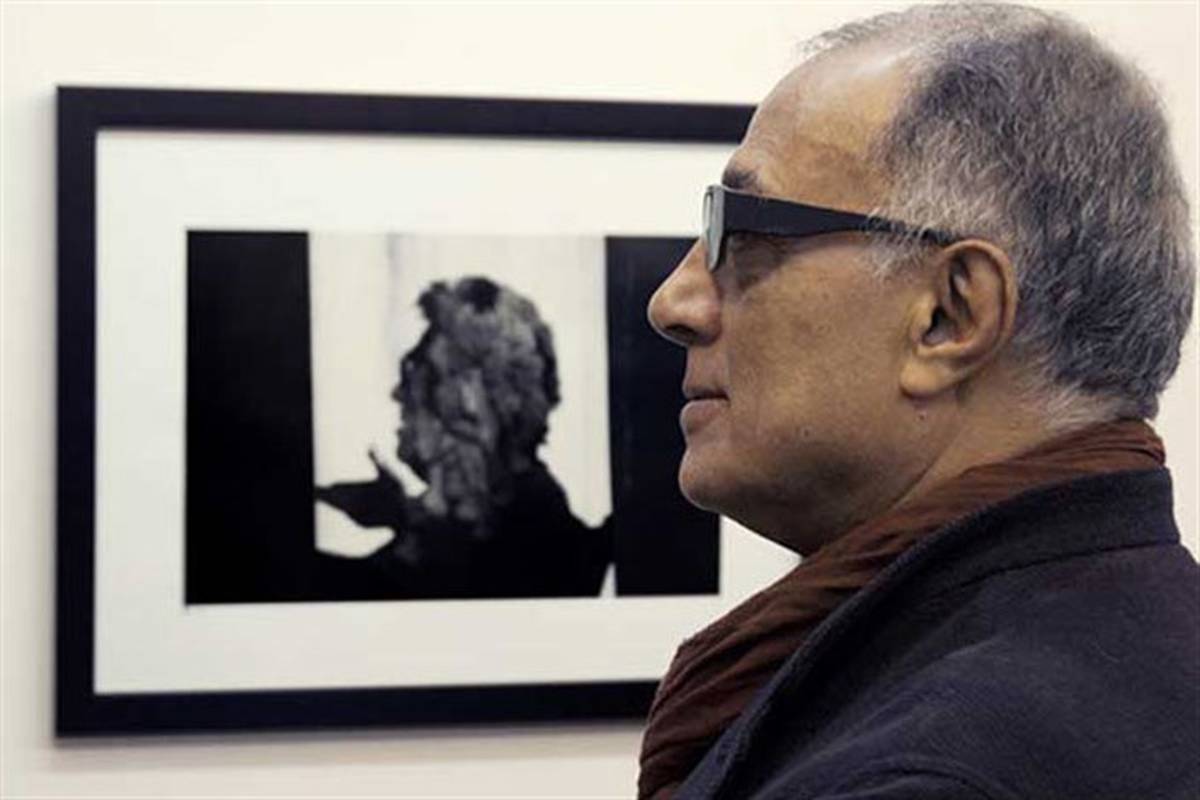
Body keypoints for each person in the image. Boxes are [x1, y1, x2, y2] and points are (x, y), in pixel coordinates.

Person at [640, 3, 1198, 798]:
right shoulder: (1147, 637)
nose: (675, 302)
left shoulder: (925, 773)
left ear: (950, 316)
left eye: (747, 234)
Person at [315, 276, 611, 599]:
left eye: (427, 379)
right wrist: (404, 514)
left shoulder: (536, 548)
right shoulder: (496, 518)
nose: (400, 393)